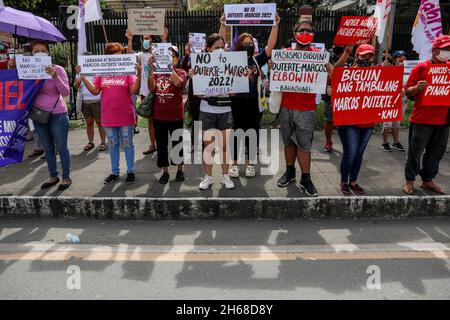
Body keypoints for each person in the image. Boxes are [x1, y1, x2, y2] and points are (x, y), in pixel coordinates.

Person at [220, 14, 281, 178]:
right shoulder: (231, 59)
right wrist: (223, 25)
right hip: (236, 102)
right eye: (244, 43)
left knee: (253, 133)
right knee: (235, 132)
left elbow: (270, 47)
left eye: (250, 43)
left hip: (253, 103)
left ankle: (250, 164)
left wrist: (275, 25)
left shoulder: (256, 59)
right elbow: (220, 48)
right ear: (239, 45)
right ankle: (233, 164)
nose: (247, 45)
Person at [80, 42, 142, 185]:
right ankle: (114, 172)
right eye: (114, 57)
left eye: (119, 57)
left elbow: (134, 91)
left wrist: (138, 75)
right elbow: (95, 91)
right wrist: (83, 77)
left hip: (125, 115)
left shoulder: (127, 72)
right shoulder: (102, 73)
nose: (117, 60)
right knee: (113, 144)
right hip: (108, 117)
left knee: (127, 144)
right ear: (107, 58)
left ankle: (130, 171)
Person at [276, 20, 322, 197]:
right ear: (294, 34)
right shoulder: (285, 54)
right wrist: (274, 67)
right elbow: (276, 78)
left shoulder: (319, 56)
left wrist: (329, 68)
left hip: (306, 108)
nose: (304, 32)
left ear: (313, 34)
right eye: (301, 30)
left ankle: (306, 178)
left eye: (308, 30)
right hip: (286, 106)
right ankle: (289, 172)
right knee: (288, 142)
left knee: (304, 145)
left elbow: (328, 79)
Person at [402, 35, 450, 195]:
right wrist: (417, 88)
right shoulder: (422, 68)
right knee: (415, 152)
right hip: (422, 119)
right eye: (446, 49)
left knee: (437, 153)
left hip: (443, 120)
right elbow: (407, 91)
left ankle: (427, 180)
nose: (448, 53)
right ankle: (409, 180)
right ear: (436, 51)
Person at [334, 44, 376, 196]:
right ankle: (344, 182)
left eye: (370, 56)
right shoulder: (348, 73)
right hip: (349, 122)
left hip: (368, 122)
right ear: (357, 56)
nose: (367, 59)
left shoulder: (378, 75)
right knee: (350, 152)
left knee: (359, 153)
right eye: (364, 55)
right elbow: (334, 73)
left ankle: (353, 181)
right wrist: (345, 54)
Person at [29, 40, 72, 190]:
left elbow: (66, 92)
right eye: (36, 50)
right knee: (48, 148)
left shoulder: (58, 69)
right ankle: (53, 176)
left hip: (57, 114)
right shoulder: (28, 71)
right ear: (31, 54)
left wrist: (54, 76)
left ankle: (66, 177)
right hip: (39, 115)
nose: (39, 52)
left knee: (61, 147)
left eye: (42, 50)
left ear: (48, 53)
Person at [197, 34, 235, 190]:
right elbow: (199, 94)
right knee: (209, 147)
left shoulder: (231, 65)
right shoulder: (201, 66)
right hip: (207, 110)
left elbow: (233, 94)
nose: (220, 50)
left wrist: (239, 79)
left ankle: (225, 176)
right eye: (217, 47)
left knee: (225, 146)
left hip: (225, 110)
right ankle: (209, 177)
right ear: (209, 49)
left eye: (222, 47)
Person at [126, 28, 169, 155]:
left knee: (163, 119)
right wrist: (129, 40)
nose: (145, 41)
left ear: (153, 39)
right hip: (146, 92)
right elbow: (129, 55)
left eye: (147, 38)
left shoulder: (159, 53)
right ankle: (152, 145)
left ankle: (164, 144)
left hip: (161, 90)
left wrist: (164, 39)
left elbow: (166, 55)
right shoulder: (141, 55)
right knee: (151, 119)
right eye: (144, 38)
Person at [148, 46, 187, 184]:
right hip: (159, 116)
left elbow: (177, 83)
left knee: (177, 143)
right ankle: (164, 171)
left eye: (174, 57)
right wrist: (151, 69)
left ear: (177, 59)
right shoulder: (157, 73)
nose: (171, 59)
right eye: (169, 57)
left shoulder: (181, 72)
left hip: (175, 115)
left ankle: (179, 170)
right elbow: (151, 87)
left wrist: (168, 67)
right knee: (162, 144)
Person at [74, 52, 107, 152]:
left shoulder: (97, 71)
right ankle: (90, 142)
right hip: (85, 102)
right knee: (89, 123)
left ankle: (103, 142)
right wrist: (79, 78)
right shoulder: (79, 73)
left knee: (100, 122)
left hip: (97, 101)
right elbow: (76, 87)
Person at [323, 45, 353, 152]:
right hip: (331, 94)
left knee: (345, 121)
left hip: (345, 95)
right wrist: (346, 54)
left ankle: (347, 143)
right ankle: (328, 141)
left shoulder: (350, 60)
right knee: (329, 120)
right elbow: (334, 70)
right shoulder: (328, 58)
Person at [380, 50, 408, 152]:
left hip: (402, 100)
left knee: (397, 122)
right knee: (387, 123)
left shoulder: (408, 71)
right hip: (390, 99)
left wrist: (406, 89)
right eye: (400, 58)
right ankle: (384, 143)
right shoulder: (389, 68)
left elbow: (410, 84)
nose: (402, 60)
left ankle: (396, 142)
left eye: (405, 58)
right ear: (395, 59)